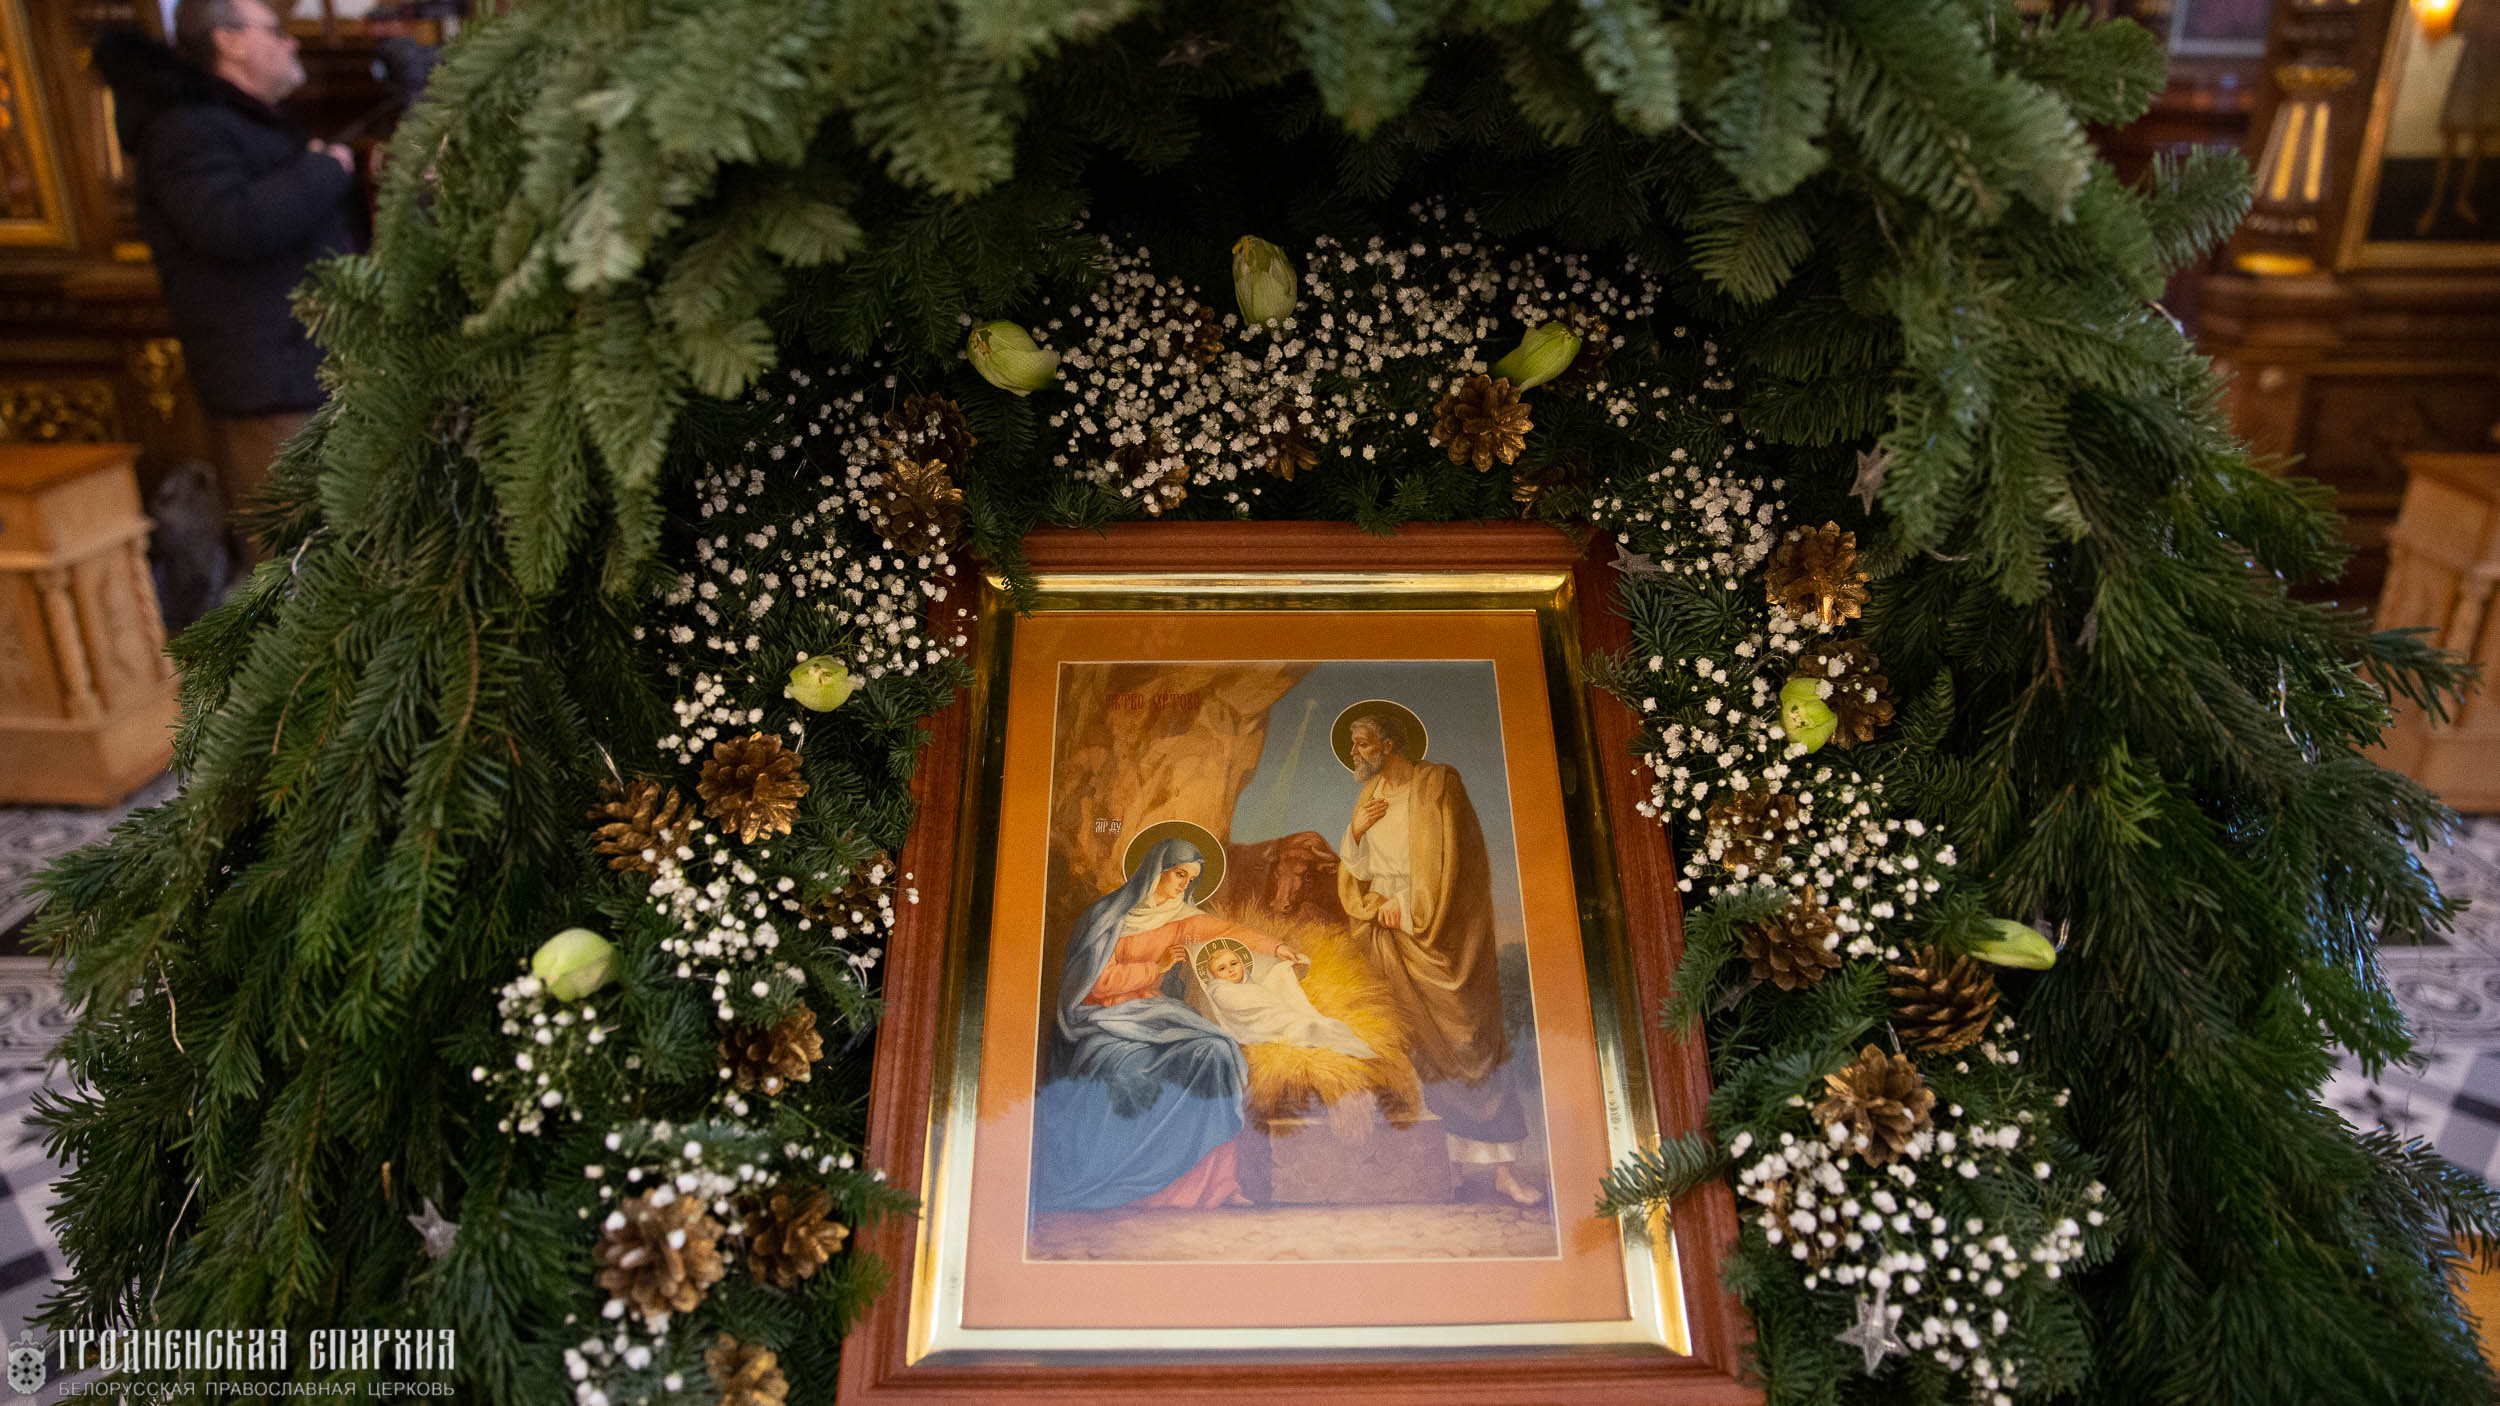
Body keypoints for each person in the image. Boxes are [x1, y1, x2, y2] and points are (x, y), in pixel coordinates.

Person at [96, 1, 360, 565]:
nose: (291, 42)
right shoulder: (184, 129)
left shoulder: (241, 122)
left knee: (351, 555)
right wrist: (325, 169)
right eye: (275, 30)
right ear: (230, 41)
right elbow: (231, 225)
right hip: (271, 389)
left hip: (310, 369)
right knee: (296, 566)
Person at [1336, 708, 1544, 1206]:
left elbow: (1460, 860)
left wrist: (1409, 906)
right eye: (1353, 745)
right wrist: (1356, 833)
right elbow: (1358, 872)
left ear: (1389, 744)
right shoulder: (1369, 795)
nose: (1354, 753)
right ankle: (1446, 1168)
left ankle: (1504, 1171)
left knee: (1471, 1042)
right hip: (1385, 935)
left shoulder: (1438, 783)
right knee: (1418, 1051)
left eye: (1363, 743)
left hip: (1438, 932)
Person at [1031, 839, 1306, 1212]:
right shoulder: (1108, 917)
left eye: (1190, 879)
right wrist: (1156, 968)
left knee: (1217, 1052)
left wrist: (1276, 948)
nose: (1184, 885)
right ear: (1155, 870)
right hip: (1103, 1019)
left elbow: (1226, 931)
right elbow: (1096, 984)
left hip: (1156, 1013)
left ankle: (1215, 1186)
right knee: (1129, 1069)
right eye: (1179, 874)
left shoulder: (1180, 919)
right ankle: (1139, 1186)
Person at [1194, 938, 1377, 1060]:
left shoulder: (1250, 984)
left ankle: (1319, 1031)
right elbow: (1236, 1004)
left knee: (1310, 1023)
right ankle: (1312, 1030)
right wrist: (1261, 999)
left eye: (1234, 963)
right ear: (1213, 976)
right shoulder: (1219, 989)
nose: (1230, 970)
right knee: (1298, 1026)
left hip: (1275, 1014)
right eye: (1222, 969)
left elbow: (1272, 987)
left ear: (1242, 964)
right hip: (1257, 1023)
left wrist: (1287, 968)